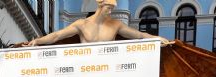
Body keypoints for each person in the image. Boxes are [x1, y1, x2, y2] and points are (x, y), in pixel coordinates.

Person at [25, 0, 167, 45]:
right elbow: (57, 35)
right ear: (100, 6)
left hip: (108, 70)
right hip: (85, 70)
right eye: (109, 8)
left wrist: (157, 38)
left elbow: (139, 35)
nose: (110, 11)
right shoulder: (82, 24)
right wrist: (38, 41)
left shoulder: (115, 24)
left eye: (112, 9)